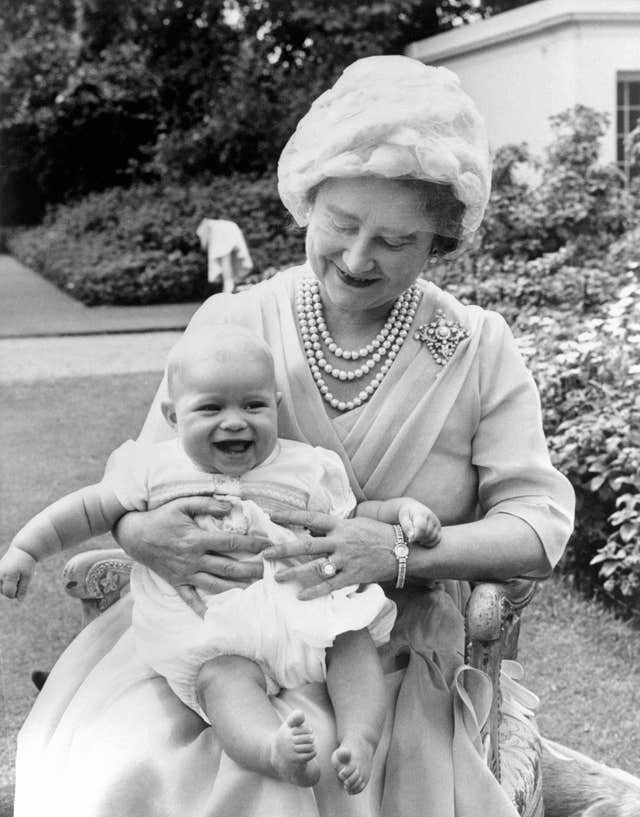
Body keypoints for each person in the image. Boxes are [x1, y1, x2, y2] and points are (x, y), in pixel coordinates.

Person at [13, 55, 575, 817]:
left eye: (394, 240)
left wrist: (402, 553)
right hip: (212, 628)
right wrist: (145, 535)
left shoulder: (477, 346)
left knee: (312, 777)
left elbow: (538, 528)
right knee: (127, 771)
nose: (356, 257)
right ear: (308, 200)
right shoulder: (234, 322)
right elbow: (141, 478)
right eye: (341, 225)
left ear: (441, 240)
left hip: (375, 649)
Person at [1, 326, 441, 795]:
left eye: (253, 406)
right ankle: (270, 748)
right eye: (210, 408)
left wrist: (403, 515)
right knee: (222, 681)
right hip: (211, 628)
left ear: (275, 406)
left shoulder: (307, 467)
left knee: (351, 643)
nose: (234, 422)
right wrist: (26, 549)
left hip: (303, 613)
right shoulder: (154, 470)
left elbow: (354, 517)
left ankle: (361, 738)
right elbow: (88, 509)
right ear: (173, 415)